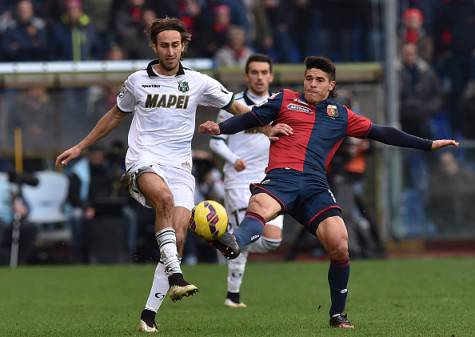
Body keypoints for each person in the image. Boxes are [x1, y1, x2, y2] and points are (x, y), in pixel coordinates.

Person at [199, 55, 459, 329]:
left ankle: (337, 315)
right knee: (259, 208)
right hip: (281, 179)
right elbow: (250, 117)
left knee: (339, 244)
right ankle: (233, 243)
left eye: (319, 80)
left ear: (330, 85)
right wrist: (220, 127)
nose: (311, 84)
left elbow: (382, 132)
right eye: (308, 78)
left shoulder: (341, 115)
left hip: (315, 187)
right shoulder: (284, 100)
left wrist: (428, 144)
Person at [55, 17, 253, 333]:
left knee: (179, 236)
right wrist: (81, 146)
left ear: (184, 46)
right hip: (143, 160)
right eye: (164, 45)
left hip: (179, 167)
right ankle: (176, 275)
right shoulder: (137, 81)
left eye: (176, 45)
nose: (171, 51)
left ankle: (148, 316)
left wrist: (267, 126)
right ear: (154, 46)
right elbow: (114, 116)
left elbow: (234, 104)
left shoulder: (199, 82)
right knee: (163, 199)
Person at [209, 54, 284, 308]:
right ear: (247, 76)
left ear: (271, 76)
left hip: (271, 181)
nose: (260, 77)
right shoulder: (234, 104)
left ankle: (225, 240)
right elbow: (215, 141)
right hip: (239, 180)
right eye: (254, 72)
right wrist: (232, 159)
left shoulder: (279, 104)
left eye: (264, 72)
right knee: (246, 235)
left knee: (272, 241)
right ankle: (233, 296)